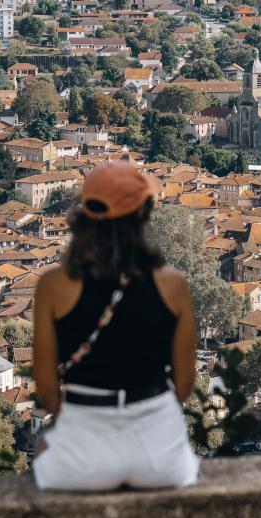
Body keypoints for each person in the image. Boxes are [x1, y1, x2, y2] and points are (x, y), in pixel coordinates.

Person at [32, 162, 199, 490]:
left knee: (42, 449)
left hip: (83, 455)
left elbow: (48, 390)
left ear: (86, 214)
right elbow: (184, 384)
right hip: (159, 456)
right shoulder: (173, 285)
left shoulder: (53, 285)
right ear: (143, 216)